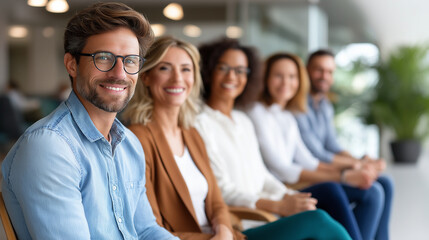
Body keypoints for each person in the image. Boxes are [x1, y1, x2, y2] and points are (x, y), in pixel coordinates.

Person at [1, 3, 177, 239]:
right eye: (103, 58)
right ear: (72, 64)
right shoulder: (49, 147)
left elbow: (145, 231)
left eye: (131, 60)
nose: (120, 73)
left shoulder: (129, 144)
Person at [195, 38, 352, 240]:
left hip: (268, 216)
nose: (232, 76)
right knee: (319, 220)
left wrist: (289, 197)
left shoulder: (243, 120)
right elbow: (221, 191)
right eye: (224, 68)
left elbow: (263, 176)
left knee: (318, 215)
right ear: (208, 71)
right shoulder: (200, 123)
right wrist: (278, 205)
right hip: (240, 225)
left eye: (241, 70)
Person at [245, 52, 389, 239]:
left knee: (374, 189)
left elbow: (309, 160)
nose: (286, 82)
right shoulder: (257, 112)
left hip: (291, 184)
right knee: (336, 190)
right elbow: (282, 169)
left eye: (292, 77)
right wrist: (344, 176)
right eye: (278, 76)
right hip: (280, 190)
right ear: (266, 78)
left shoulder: (287, 116)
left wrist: (352, 171)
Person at [123, 36, 245, 240]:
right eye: (165, 68)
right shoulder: (138, 138)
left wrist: (224, 231)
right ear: (146, 77)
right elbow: (151, 229)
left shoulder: (192, 133)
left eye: (186, 69)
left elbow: (216, 203)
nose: (177, 79)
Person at [295, 49, 394, 240]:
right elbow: (316, 153)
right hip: (311, 175)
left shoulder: (324, 104)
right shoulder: (299, 104)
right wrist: (356, 166)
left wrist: (361, 160)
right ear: (306, 71)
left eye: (329, 72)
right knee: (372, 192)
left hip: (327, 168)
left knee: (386, 182)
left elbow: (333, 144)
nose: (324, 76)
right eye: (319, 70)